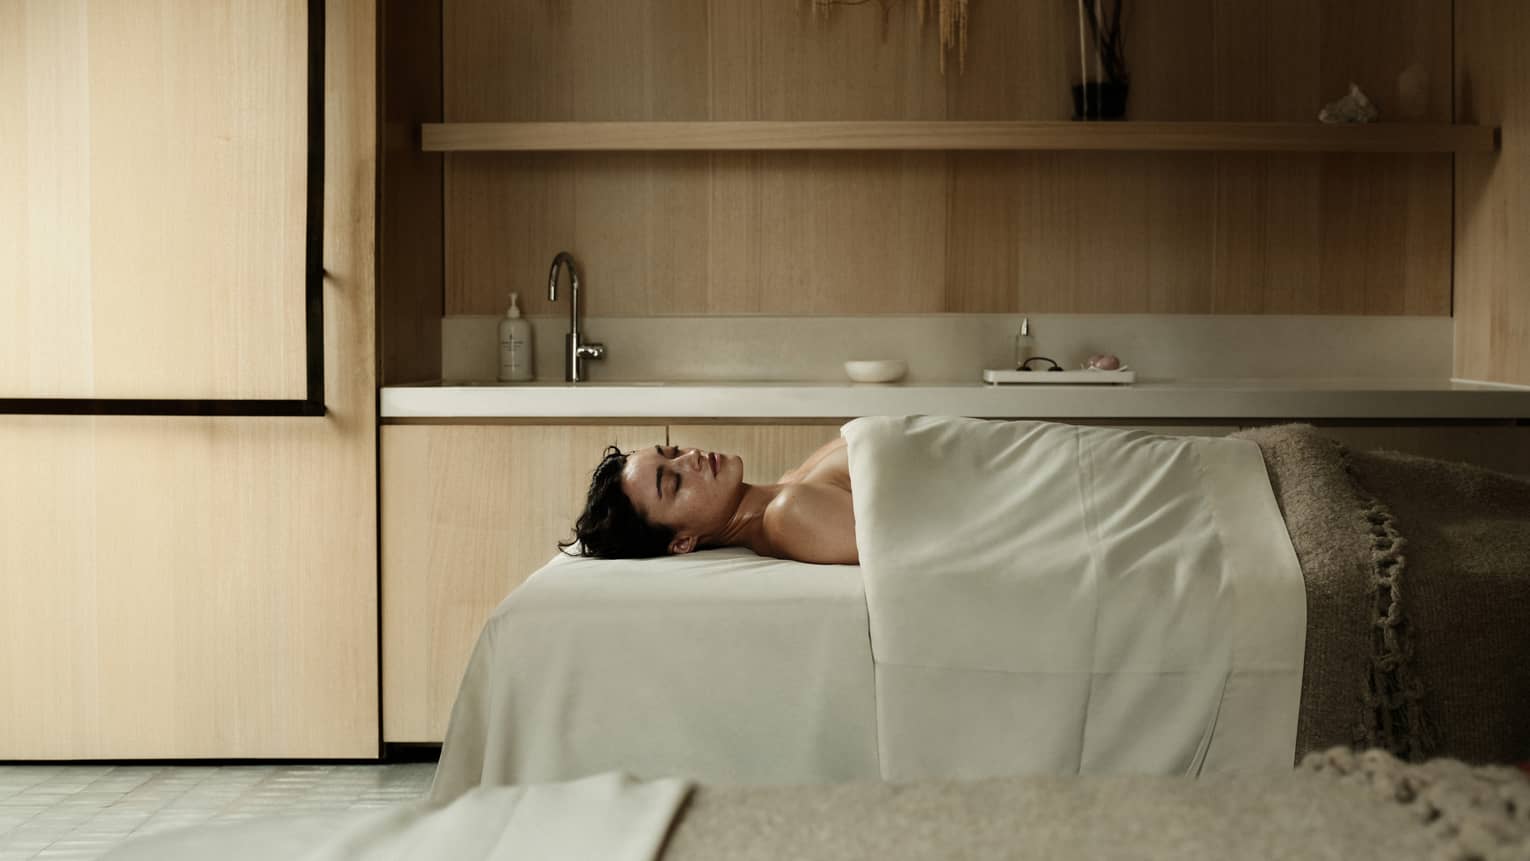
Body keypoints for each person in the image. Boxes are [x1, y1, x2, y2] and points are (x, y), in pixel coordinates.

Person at [561, 437, 858, 564]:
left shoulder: (788, 484)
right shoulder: (788, 516)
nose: (692, 457)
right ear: (682, 542)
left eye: (674, 451)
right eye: (674, 483)